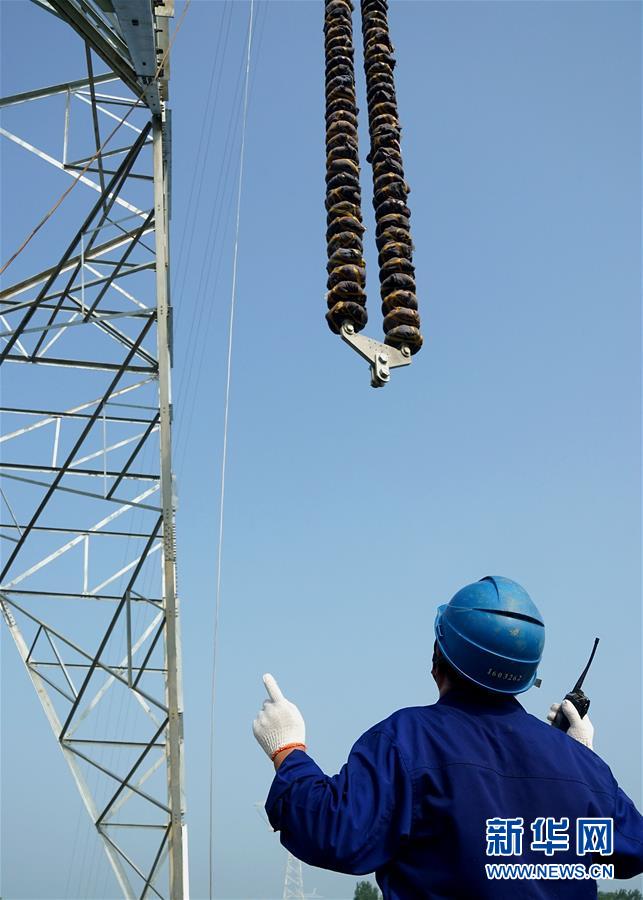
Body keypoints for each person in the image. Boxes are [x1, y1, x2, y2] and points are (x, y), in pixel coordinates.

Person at [252, 575, 643, 899]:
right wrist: (583, 762)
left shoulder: (406, 741)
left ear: (439, 657)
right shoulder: (581, 767)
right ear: (527, 673)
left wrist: (288, 750)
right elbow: (629, 854)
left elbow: (334, 832)